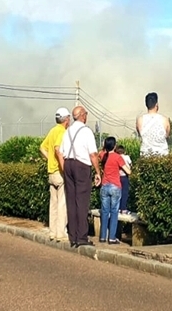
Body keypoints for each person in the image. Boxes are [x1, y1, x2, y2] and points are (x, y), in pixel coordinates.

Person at [59, 105, 101, 248]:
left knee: (71, 200)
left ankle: (73, 236)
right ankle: (82, 237)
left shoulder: (68, 131)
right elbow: (93, 154)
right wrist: (98, 172)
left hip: (68, 164)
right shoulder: (86, 131)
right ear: (83, 115)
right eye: (86, 114)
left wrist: (65, 167)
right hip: (81, 165)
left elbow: (61, 151)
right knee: (81, 201)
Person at [39, 108, 70, 243]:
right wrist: (63, 166)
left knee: (53, 203)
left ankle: (52, 232)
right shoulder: (62, 132)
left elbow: (42, 147)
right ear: (66, 119)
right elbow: (58, 149)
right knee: (62, 203)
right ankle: (60, 233)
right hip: (59, 172)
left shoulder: (52, 130)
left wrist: (49, 159)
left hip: (51, 172)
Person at [97, 136, 130, 244]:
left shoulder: (103, 155)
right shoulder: (117, 157)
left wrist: (104, 148)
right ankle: (111, 237)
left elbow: (98, 154)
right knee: (114, 212)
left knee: (105, 212)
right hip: (115, 186)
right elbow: (128, 171)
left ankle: (102, 237)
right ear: (115, 146)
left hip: (104, 186)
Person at [136, 92, 170, 156]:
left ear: (146, 104)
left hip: (146, 155)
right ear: (156, 104)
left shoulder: (140, 120)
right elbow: (167, 136)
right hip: (163, 155)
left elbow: (139, 134)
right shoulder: (165, 119)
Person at [115, 143, 133, 216]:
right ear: (124, 151)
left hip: (118, 177)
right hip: (125, 176)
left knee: (118, 193)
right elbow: (131, 164)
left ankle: (118, 208)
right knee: (124, 193)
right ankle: (124, 209)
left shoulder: (116, 157)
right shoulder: (127, 157)